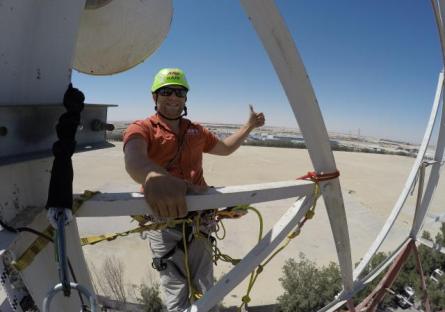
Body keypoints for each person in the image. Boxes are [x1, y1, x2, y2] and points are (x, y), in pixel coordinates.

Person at [123, 68, 265, 311]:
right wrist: (152, 176)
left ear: (186, 98)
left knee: (206, 290)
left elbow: (225, 148)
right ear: (154, 97)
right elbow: (133, 159)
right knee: (175, 292)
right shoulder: (143, 128)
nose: (173, 96)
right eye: (166, 91)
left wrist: (249, 126)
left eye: (179, 91)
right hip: (163, 223)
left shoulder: (196, 131)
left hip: (200, 221)